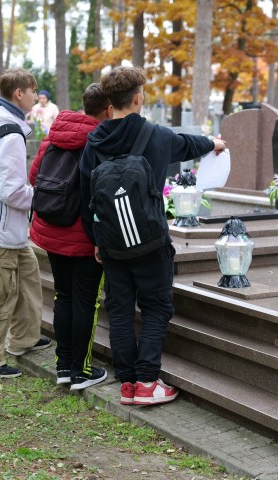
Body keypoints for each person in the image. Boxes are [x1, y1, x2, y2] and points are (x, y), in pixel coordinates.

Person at [79, 66, 226, 406]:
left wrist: (97, 240)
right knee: (157, 308)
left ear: (109, 102)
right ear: (137, 97)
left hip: (113, 244)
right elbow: (188, 144)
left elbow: (85, 198)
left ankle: (128, 384)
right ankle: (148, 382)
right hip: (151, 242)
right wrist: (214, 143)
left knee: (118, 310)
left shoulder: (94, 142)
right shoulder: (155, 136)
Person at [28, 84, 113, 390]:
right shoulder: (102, 140)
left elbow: (33, 176)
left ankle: (63, 365)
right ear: (108, 110)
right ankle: (81, 371)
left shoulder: (55, 132)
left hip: (52, 228)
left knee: (62, 296)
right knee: (86, 302)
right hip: (84, 235)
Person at [0, 68, 51, 379]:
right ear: (19, 93)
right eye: (33, 91)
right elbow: (13, 192)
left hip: (0, 225)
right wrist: (44, 197)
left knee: (28, 277)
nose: (35, 97)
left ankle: (24, 339)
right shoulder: (10, 133)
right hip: (1, 229)